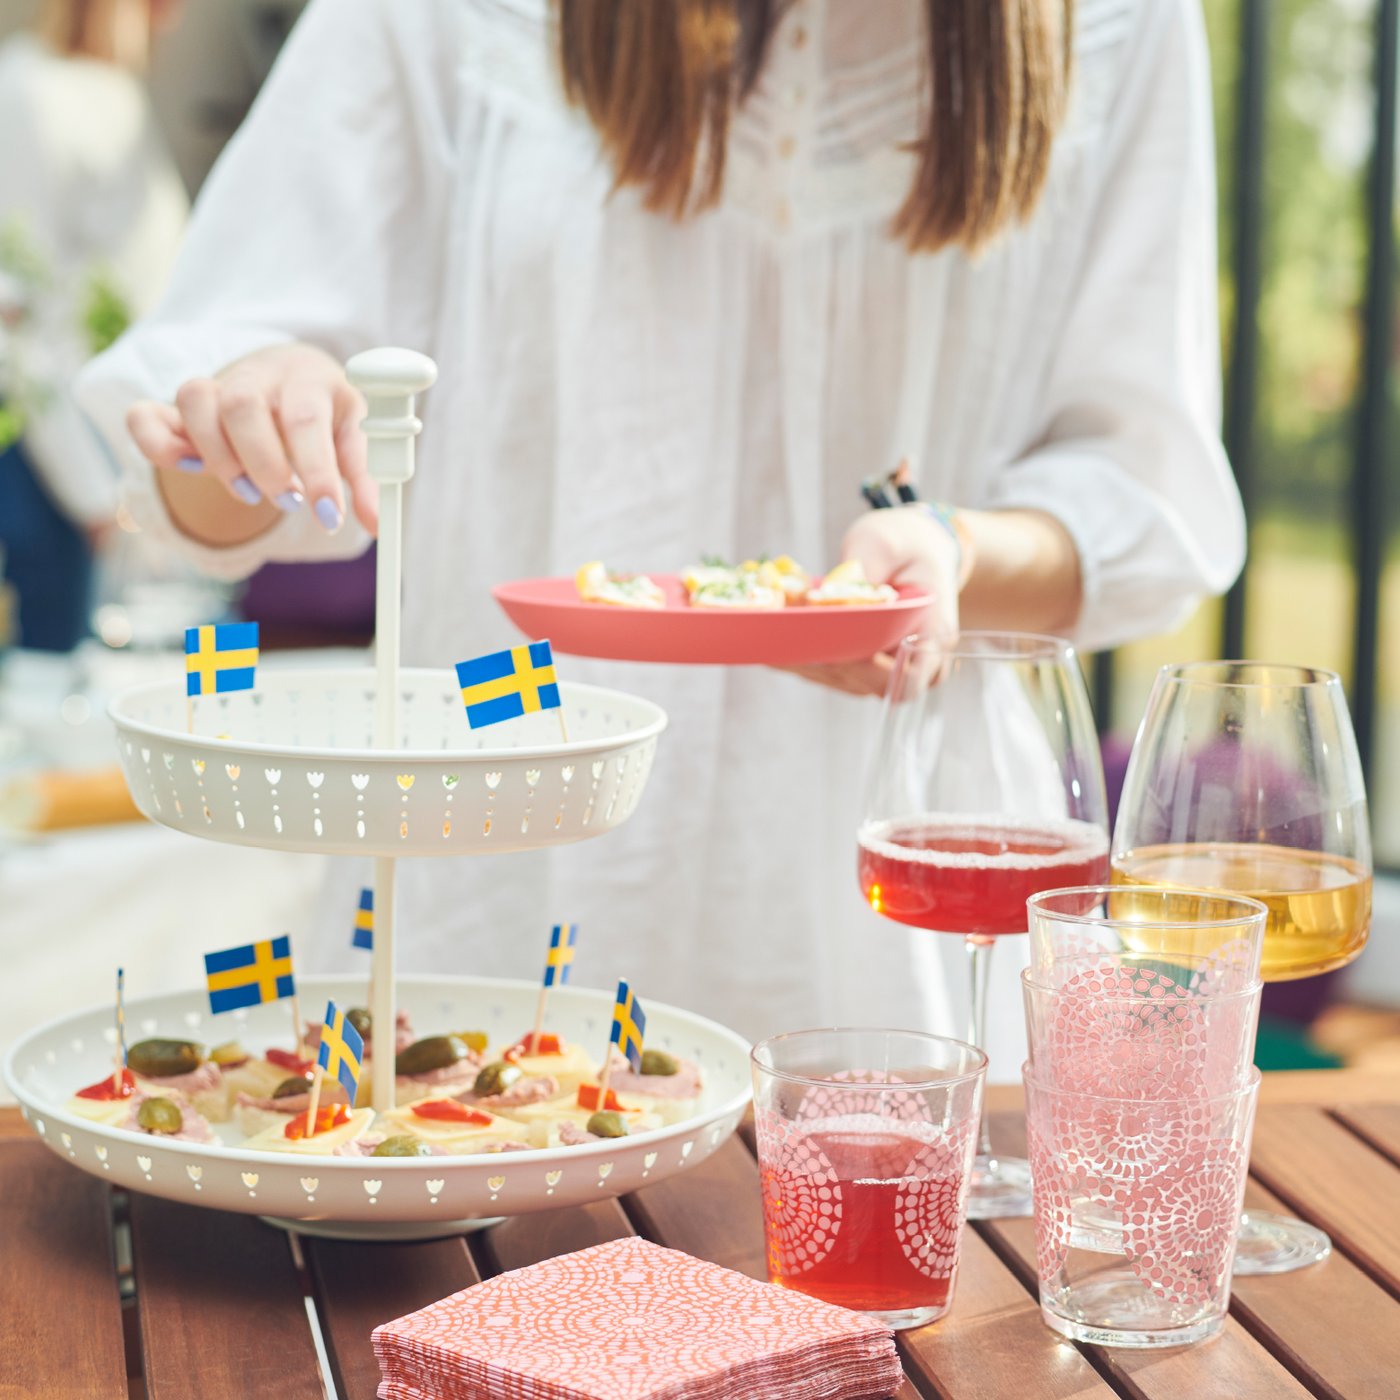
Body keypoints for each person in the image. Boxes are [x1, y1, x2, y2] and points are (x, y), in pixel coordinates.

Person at [77, 0, 1243, 1075]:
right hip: (497, 871)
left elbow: (1139, 489)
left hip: (896, 906)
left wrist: (952, 554)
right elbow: (204, 477)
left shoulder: (1118, 26)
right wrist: (254, 414)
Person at [0, 0, 187, 650]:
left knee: (154, 668)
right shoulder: (31, 93)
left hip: (121, 441)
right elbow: (19, 316)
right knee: (61, 686)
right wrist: (93, 497)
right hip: (54, 449)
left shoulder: (116, 93)